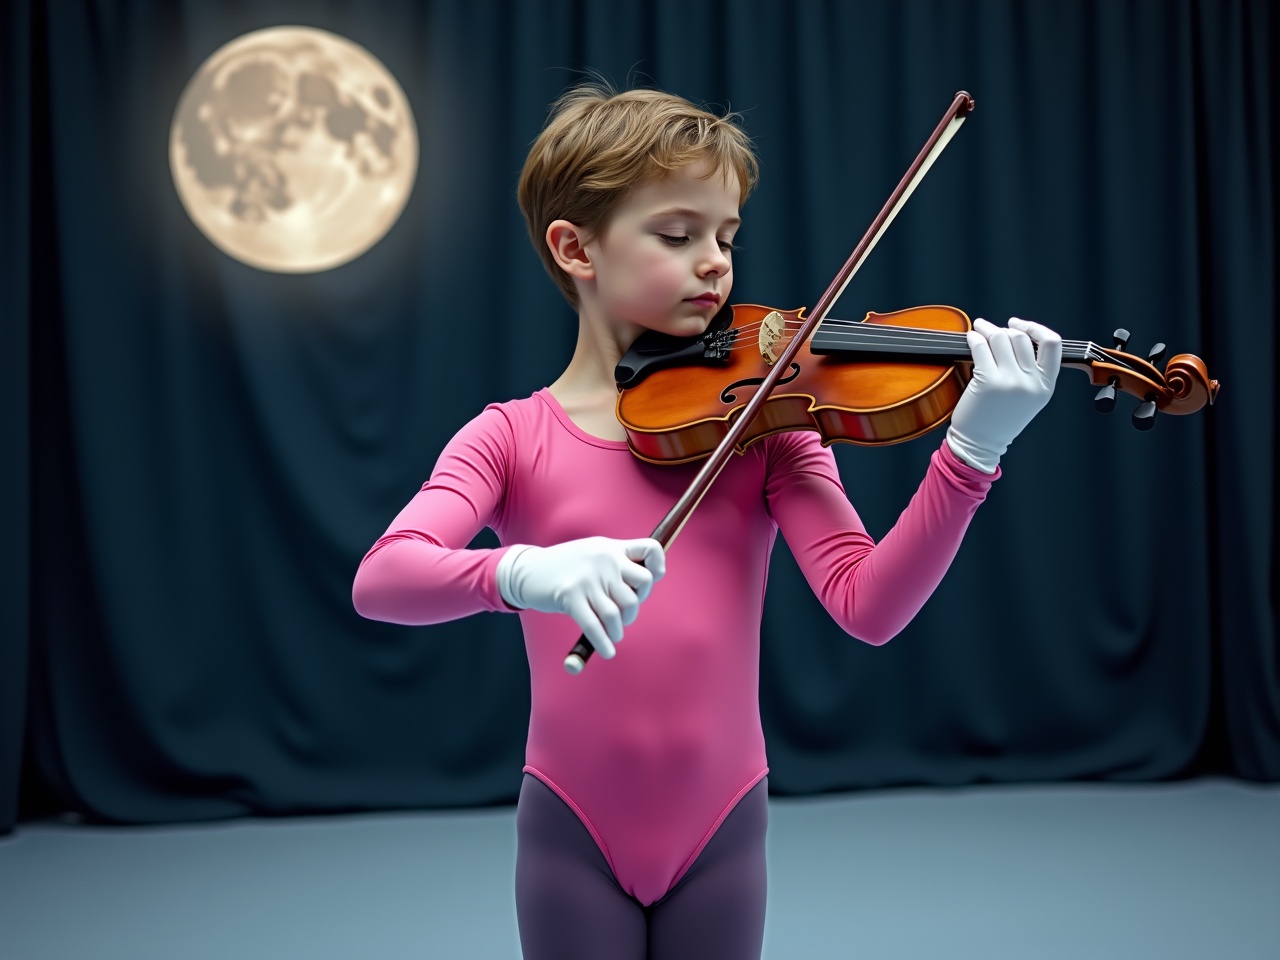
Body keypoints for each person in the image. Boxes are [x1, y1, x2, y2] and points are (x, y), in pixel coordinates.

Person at [352, 83, 1061, 960]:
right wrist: (522, 573)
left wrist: (971, 453)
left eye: (726, 237)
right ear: (576, 247)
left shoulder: (762, 427)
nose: (717, 263)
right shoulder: (510, 436)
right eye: (678, 235)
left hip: (722, 824)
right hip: (573, 826)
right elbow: (384, 579)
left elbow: (868, 606)